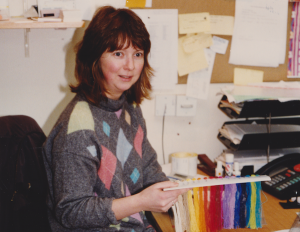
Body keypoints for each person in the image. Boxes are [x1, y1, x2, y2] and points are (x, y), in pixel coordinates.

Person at [42, 6, 188, 231]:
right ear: (94, 58)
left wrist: (174, 191)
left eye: (137, 54)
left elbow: (148, 167)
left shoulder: (130, 108)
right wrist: (141, 201)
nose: (130, 66)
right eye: (118, 53)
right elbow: (71, 211)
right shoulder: (78, 127)